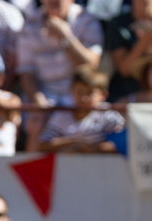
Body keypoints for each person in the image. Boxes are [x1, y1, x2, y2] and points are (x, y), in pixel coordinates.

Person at [16, 0, 101, 144]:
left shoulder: (87, 19)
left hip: (78, 94)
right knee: (37, 121)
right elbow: (26, 72)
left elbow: (91, 65)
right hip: (44, 93)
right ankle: (33, 159)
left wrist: (66, 37)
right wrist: (38, 102)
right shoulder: (29, 24)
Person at [31, 64, 124, 152]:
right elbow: (43, 145)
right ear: (71, 91)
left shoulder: (108, 114)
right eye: (79, 92)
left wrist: (90, 149)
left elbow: (120, 144)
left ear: (103, 95)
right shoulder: (62, 113)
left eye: (89, 93)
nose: (84, 98)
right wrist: (75, 143)